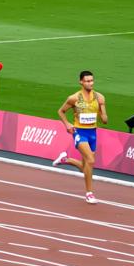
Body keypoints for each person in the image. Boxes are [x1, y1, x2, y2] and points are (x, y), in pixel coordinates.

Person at [54, 70, 107, 204]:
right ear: (81, 82)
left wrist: (103, 113)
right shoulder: (74, 98)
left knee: (86, 167)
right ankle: (89, 193)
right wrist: (66, 124)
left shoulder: (99, 97)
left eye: (92, 81)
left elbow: (104, 118)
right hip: (79, 132)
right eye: (87, 81)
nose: (90, 83)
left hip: (92, 133)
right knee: (90, 160)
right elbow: (61, 111)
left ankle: (66, 159)